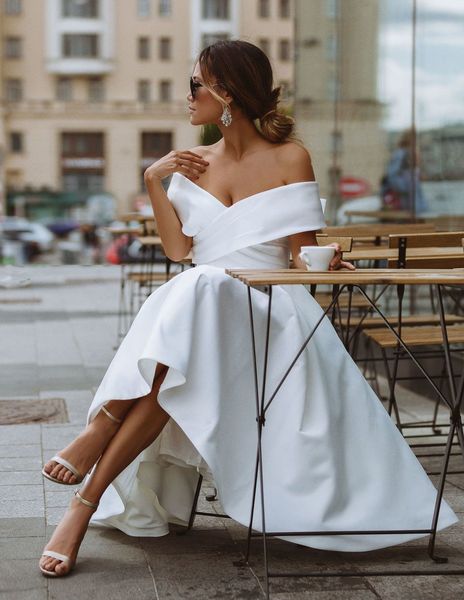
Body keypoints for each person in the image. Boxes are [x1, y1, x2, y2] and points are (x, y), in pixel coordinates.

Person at [39, 41, 456, 577]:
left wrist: (326, 265)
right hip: (203, 314)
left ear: (226, 93)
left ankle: (98, 442)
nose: (185, 96)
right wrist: (153, 180)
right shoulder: (191, 164)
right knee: (201, 294)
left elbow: (302, 258)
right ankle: (84, 503)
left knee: (201, 294)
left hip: (270, 310)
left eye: (194, 86)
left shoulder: (290, 157)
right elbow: (177, 252)